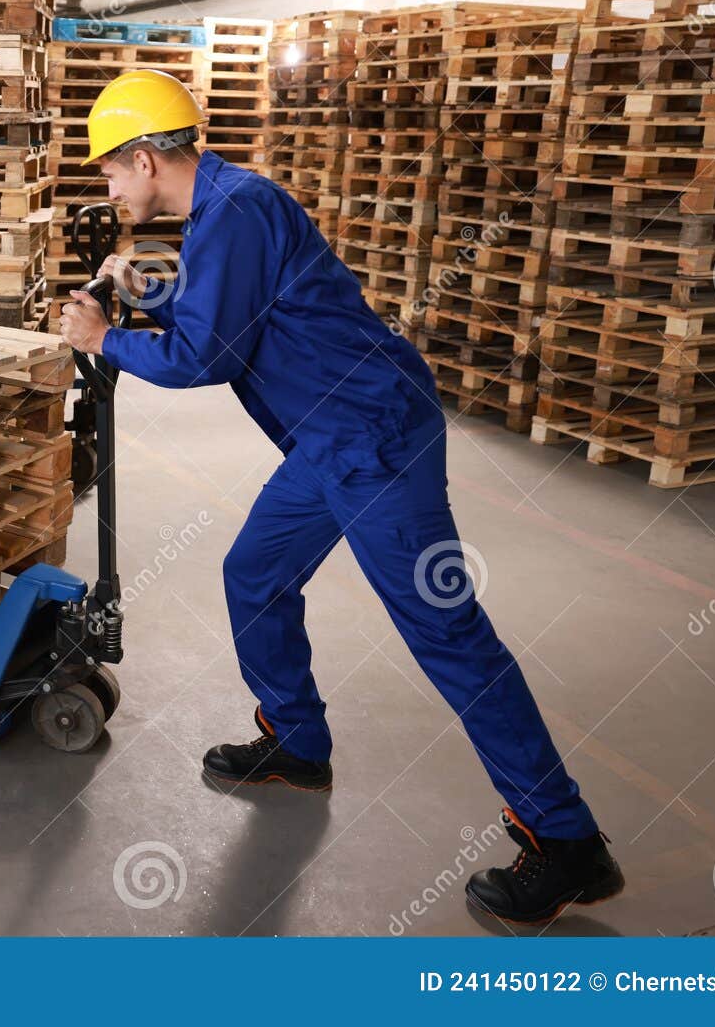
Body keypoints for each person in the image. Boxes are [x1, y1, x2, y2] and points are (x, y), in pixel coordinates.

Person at [56, 69, 624, 926]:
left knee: (448, 632)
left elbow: (206, 356)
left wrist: (107, 336)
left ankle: (566, 838)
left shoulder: (236, 211)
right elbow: (230, 314)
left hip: (375, 438)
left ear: (144, 158)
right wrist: (147, 292)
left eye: (109, 170)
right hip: (330, 442)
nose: (108, 185)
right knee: (255, 572)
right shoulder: (223, 210)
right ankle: (298, 741)